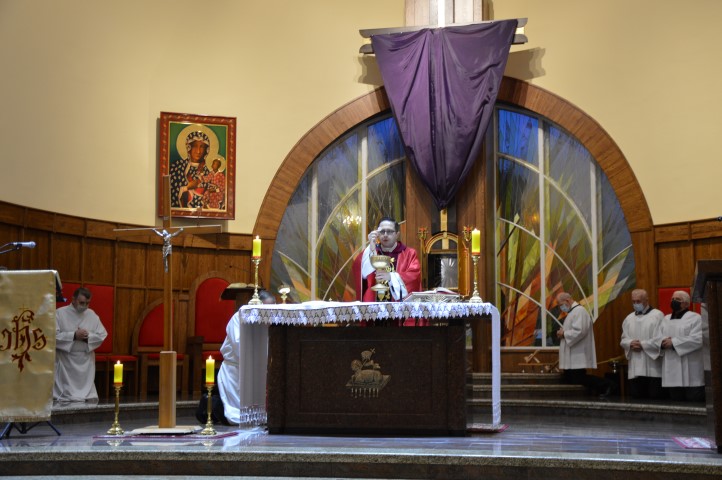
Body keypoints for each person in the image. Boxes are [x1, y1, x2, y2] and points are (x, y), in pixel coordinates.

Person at [217, 289, 275, 425]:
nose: (268, 314)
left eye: (271, 310)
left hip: (256, 374)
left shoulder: (271, 322)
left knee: (259, 414)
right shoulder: (239, 318)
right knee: (238, 414)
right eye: (265, 310)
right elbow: (239, 346)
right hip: (235, 373)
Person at [53, 287, 108, 403]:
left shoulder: (92, 315)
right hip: (65, 360)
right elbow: (52, 336)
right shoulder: (60, 313)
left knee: (87, 396)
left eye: (87, 303)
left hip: (85, 360)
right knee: (65, 396)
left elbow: (102, 335)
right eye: (82, 302)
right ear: (73, 299)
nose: (85, 306)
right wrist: (73, 335)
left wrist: (87, 337)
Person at [556, 292, 614, 398]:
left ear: (567, 301)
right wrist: (563, 333)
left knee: (578, 378)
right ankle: (597, 389)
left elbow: (580, 331)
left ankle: (606, 384)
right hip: (572, 354)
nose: (561, 308)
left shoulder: (579, 311)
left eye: (561, 305)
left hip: (578, 353)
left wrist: (564, 333)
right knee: (570, 378)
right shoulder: (572, 312)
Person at [352, 216, 421, 303]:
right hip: (373, 306)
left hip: (399, 307)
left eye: (389, 231)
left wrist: (391, 277)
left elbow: (414, 277)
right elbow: (360, 272)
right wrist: (371, 247)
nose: (385, 235)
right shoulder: (372, 251)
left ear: (397, 234)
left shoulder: (409, 254)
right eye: (382, 231)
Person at [652, 290, 705, 401]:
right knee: (676, 400)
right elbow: (656, 337)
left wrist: (674, 343)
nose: (674, 301)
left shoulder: (695, 318)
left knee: (693, 399)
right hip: (671, 368)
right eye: (672, 299)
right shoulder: (665, 319)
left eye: (677, 299)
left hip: (690, 369)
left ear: (686, 303)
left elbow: (699, 338)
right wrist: (662, 342)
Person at [619, 289, 665, 399]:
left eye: (638, 301)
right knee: (636, 397)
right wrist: (630, 343)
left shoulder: (657, 315)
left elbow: (660, 339)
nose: (636, 304)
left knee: (654, 397)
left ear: (646, 300)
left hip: (652, 367)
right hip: (635, 367)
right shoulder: (629, 318)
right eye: (633, 301)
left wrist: (642, 344)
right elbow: (623, 339)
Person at [170, 130, 211, 208]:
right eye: (195, 146)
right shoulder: (178, 166)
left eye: (202, 147)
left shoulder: (207, 171)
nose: (198, 151)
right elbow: (169, 191)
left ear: (206, 150)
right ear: (189, 147)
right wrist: (187, 187)